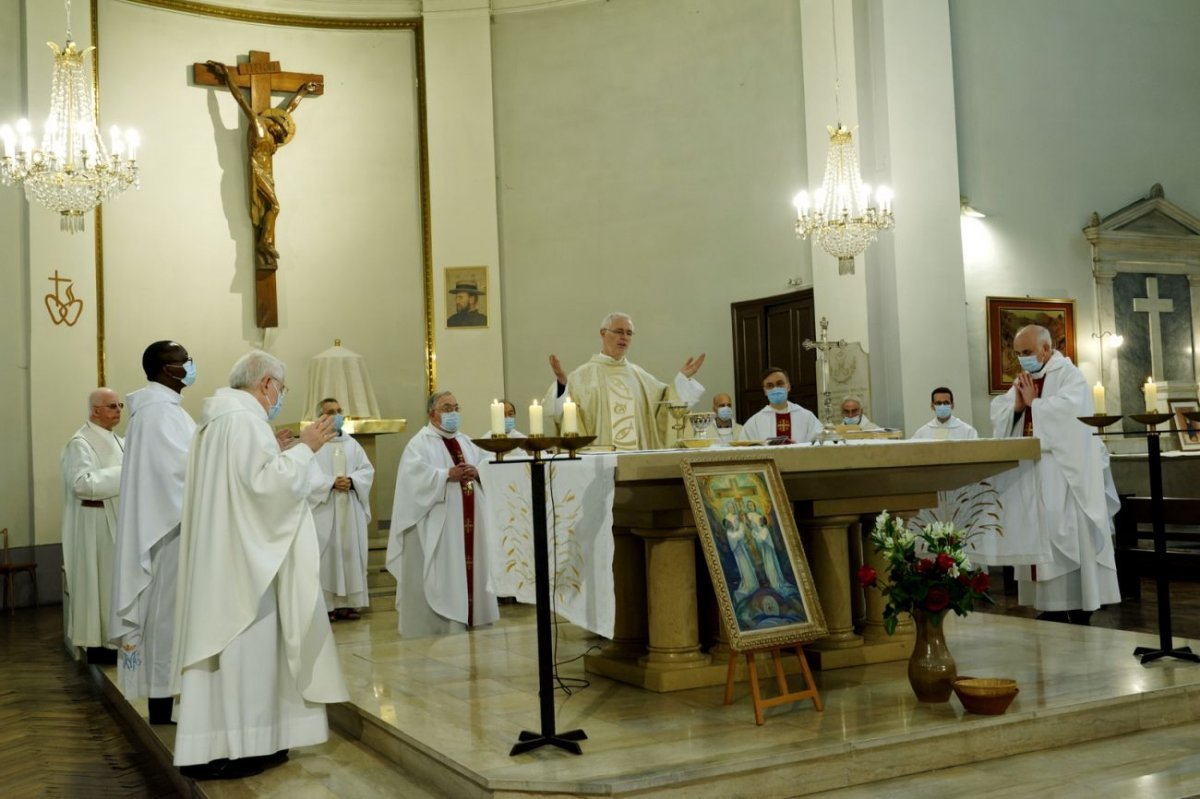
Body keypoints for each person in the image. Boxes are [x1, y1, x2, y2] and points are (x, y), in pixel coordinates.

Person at [172, 350, 347, 781]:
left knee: (222, 661)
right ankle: (246, 747)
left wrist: (282, 448)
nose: (280, 397)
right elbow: (267, 488)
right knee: (248, 653)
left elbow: (244, 481)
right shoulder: (245, 422)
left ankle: (210, 745)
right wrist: (306, 449)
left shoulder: (216, 421)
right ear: (267, 384)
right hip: (246, 566)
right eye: (281, 389)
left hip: (223, 556)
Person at [989, 325, 1121, 625]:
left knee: (1068, 535)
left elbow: (1071, 416)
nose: (1022, 359)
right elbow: (1001, 410)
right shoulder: (1027, 379)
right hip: (1034, 473)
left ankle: (1079, 602)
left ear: (1046, 349)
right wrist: (1019, 407)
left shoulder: (1069, 375)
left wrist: (1036, 403)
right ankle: (1049, 604)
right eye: (1018, 354)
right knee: (1040, 533)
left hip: (1064, 475)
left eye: (1027, 353)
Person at [110, 341, 197, 725]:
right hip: (169, 533)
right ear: (166, 370)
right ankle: (163, 703)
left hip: (172, 528)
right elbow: (177, 474)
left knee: (170, 619)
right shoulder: (160, 413)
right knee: (166, 618)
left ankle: (169, 699)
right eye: (184, 361)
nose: (190, 366)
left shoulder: (164, 411)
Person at [386, 391, 499, 637]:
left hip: (471, 521)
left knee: (472, 565)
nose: (453, 413)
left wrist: (478, 472)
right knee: (447, 569)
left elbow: (486, 466)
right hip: (442, 522)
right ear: (432, 414)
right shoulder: (419, 443)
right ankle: (446, 622)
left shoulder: (467, 442)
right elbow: (412, 480)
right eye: (447, 408)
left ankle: (474, 615)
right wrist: (447, 474)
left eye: (456, 407)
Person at [207, 61, 319, 272]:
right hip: (257, 172)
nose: (282, 132)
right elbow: (241, 99)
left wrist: (302, 92)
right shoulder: (259, 127)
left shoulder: (274, 137)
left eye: (283, 132)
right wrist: (227, 76)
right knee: (275, 206)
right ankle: (264, 242)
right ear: (272, 123)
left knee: (272, 207)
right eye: (280, 128)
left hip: (267, 175)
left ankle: (265, 243)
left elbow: (288, 110)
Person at [546, 312, 705, 449]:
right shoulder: (581, 377)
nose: (624, 337)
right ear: (603, 333)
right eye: (619, 331)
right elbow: (562, 414)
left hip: (638, 465)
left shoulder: (640, 376)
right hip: (599, 463)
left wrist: (682, 380)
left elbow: (666, 400)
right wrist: (561, 383)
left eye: (629, 333)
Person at [61, 388, 124, 663]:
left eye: (119, 405)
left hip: (118, 520)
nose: (118, 410)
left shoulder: (119, 441)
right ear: (95, 410)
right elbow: (81, 484)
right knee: (99, 586)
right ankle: (100, 646)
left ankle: (118, 642)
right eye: (111, 406)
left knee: (115, 586)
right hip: (94, 526)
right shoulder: (80, 443)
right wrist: (126, 472)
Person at [306, 398, 375, 622]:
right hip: (325, 509)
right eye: (330, 412)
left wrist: (353, 481)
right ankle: (328, 605)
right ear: (320, 417)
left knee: (349, 555)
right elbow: (306, 476)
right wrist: (330, 483)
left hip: (350, 507)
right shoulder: (314, 446)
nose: (336, 415)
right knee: (327, 558)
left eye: (338, 411)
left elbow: (366, 470)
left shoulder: (352, 444)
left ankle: (349, 605)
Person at [740, 367, 822, 443]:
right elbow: (744, 450)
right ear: (765, 391)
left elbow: (820, 442)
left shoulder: (806, 417)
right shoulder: (754, 423)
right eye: (770, 386)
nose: (775, 388)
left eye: (780, 384)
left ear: (788, 386)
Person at [911, 387, 979, 441]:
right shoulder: (922, 433)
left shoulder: (968, 431)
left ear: (952, 405)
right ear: (932, 406)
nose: (942, 406)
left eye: (946, 403)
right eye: (938, 403)